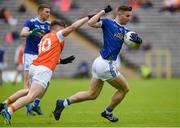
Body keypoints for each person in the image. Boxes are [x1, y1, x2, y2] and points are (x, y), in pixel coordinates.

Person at [53, 5, 142, 122]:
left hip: (100, 63)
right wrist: (103, 11)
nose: (129, 18)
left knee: (92, 94)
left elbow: (134, 45)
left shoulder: (125, 31)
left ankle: (63, 103)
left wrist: (138, 42)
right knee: (124, 89)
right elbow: (90, 22)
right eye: (127, 16)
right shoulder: (108, 23)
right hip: (105, 64)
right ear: (119, 14)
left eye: (130, 16)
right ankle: (107, 112)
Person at [0, 16, 89, 124]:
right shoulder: (57, 35)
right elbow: (73, 27)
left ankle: (6, 103)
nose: (65, 28)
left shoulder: (44, 37)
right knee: (31, 96)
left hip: (35, 66)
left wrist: (61, 61)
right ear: (56, 28)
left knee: (29, 91)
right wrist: (88, 17)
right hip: (43, 70)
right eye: (63, 27)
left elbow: (47, 56)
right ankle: (9, 111)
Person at [20, 4, 51, 115]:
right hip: (30, 55)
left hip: (42, 57)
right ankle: (28, 110)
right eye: (47, 12)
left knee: (46, 83)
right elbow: (23, 33)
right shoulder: (31, 22)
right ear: (40, 12)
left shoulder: (49, 25)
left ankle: (35, 105)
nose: (49, 14)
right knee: (27, 84)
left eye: (49, 12)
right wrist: (31, 32)